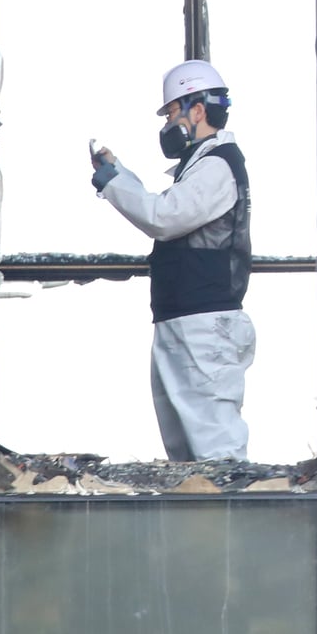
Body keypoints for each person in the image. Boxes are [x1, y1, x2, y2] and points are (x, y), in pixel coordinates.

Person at [90, 59, 255, 461]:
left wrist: (113, 183)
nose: (168, 124)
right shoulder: (199, 166)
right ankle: (202, 520)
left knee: (217, 456)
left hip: (203, 324)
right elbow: (166, 208)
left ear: (198, 110)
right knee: (188, 456)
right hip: (185, 321)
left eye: (172, 112)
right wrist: (119, 175)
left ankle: (230, 519)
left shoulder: (218, 165)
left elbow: (163, 218)